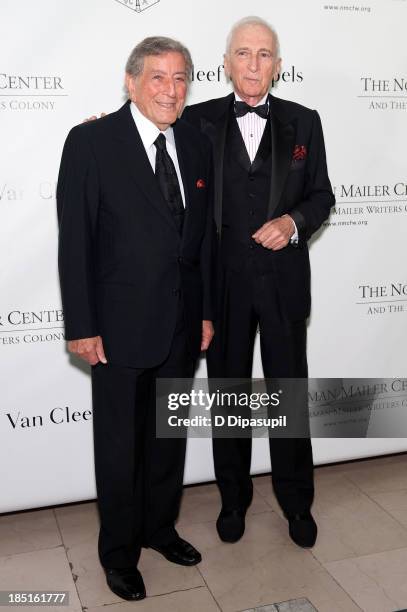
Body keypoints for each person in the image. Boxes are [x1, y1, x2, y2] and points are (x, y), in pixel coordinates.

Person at [57, 36, 214, 602]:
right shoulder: (91, 142)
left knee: (167, 439)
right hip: (118, 326)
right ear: (131, 81)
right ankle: (119, 553)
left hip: (181, 322)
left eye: (180, 79)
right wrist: (81, 324)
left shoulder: (194, 144)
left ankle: (159, 528)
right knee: (121, 447)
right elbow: (75, 241)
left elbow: (202, 243)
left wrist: (205, 313)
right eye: (158, 78)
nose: (171, 91)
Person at [182, 16, 335, 548]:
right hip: (221, 287)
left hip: (283, 284)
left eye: (264, 54)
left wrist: (292, 224)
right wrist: (98, 126)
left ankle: (297, 503)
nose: (253, 64)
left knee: (286, 396)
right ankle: (233, 500)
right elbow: (141, 128)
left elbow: (321, 196)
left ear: (278, 64)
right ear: (224, 63)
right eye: (243, 53)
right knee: (229, 396)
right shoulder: (194, 120)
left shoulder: (305, 122)